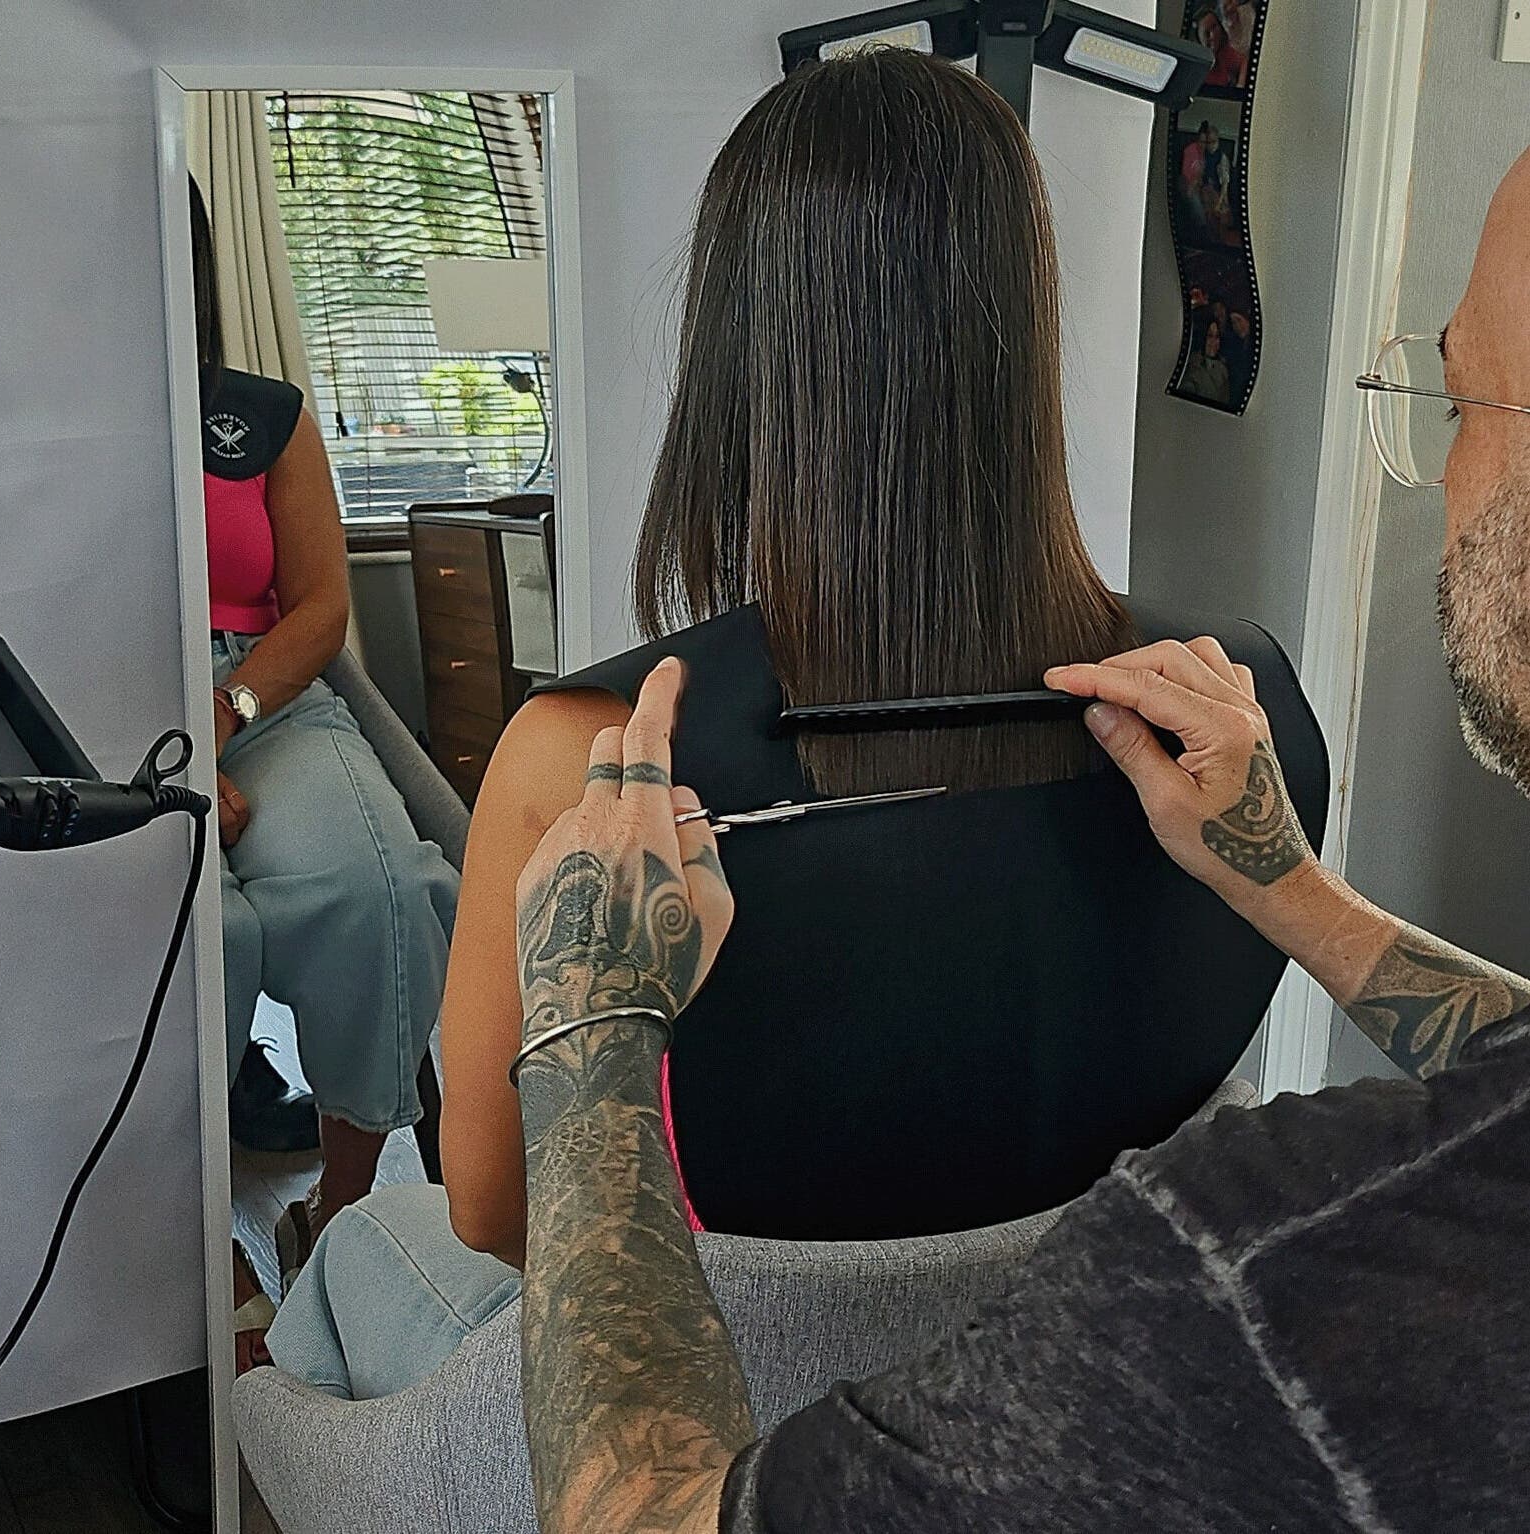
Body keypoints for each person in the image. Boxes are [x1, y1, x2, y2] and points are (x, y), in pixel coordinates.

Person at [264, 51, 1325, 1399]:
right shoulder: (1237, 714)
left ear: (740, 348)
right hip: (1073, 1374)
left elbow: (497, 1216)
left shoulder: (585, 761)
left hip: (705, 1412)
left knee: (360, 1261)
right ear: (1023, 322)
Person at [511, 142, 1530, 1534]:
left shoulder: (1248, 1276)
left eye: (1461, 396)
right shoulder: (1256, 702)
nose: (1443, 468)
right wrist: (1281, 883)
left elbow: (491, 1222)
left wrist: (593, 1034)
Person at [188, 183, 461, 1370]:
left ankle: (338, 1216)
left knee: (385, 889)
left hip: (259, 691)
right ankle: (182, 1256)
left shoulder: (262, 417)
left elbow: (321, 606)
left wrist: (225, 708)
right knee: (212, 935)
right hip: (88, 701)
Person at [1184, 320, 1233, 403]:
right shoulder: (1190, 365)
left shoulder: (1223, 369)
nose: (1213, 341)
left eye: (1217, 336)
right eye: (1210, 336)